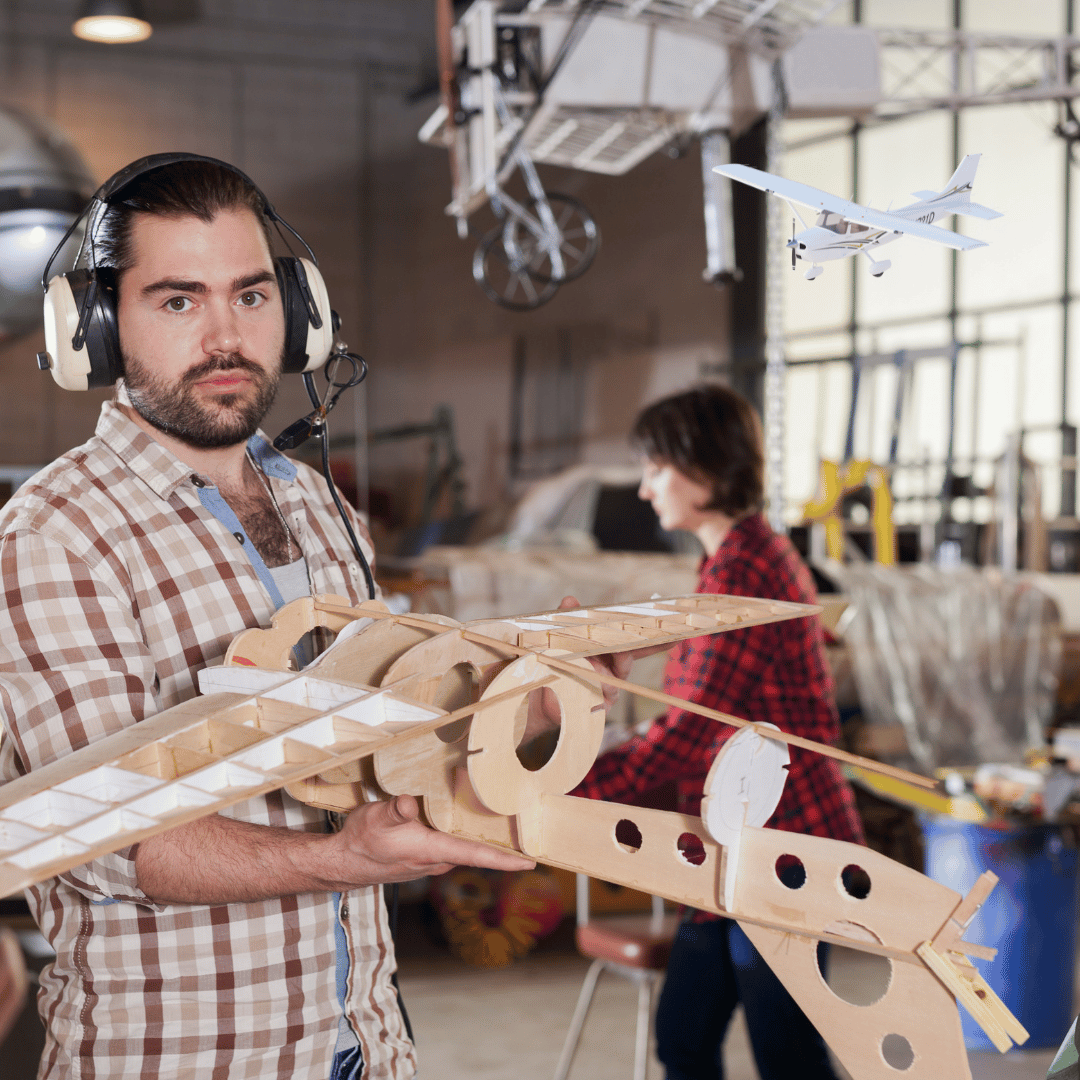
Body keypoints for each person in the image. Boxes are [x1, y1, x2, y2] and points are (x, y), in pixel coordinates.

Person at [0, 156, 535, 1080]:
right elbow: (103, 835)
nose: (224, 336)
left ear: (299, 311)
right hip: (182, 1058)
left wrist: (523, 710)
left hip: (364, 1046)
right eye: (177, 301)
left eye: (251, 296)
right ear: (94, 328)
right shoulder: (55, 533)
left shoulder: (321, 505)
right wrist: (342, 860)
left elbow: (383, 737)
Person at [573, 384, 865, 1080]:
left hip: (784, 850)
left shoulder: (744, 572)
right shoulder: (738, 558)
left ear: (703, 469)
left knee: (785, 1055)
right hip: (738, 841)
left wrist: (567, 787)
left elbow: (681, 735)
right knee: (685, 1035)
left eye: (655, 469)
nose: (645, 490)